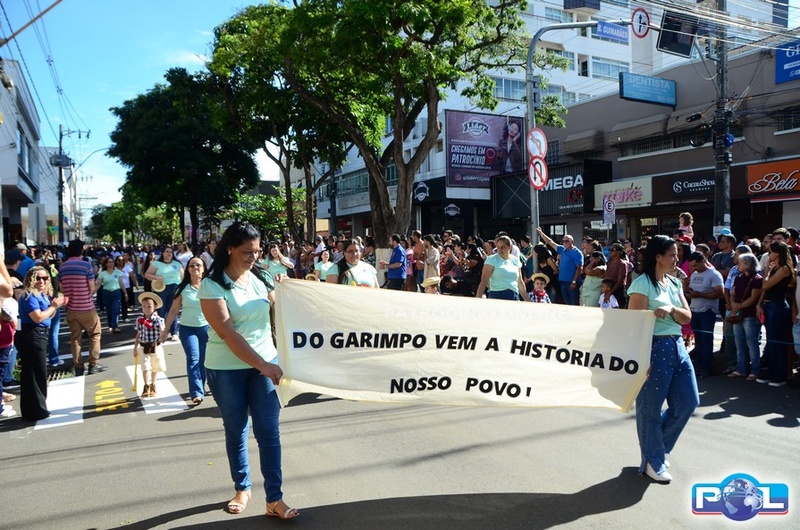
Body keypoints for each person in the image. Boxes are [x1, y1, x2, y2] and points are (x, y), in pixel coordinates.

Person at [198, 221, 299, 519]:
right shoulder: (212, 285)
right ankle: (242, 487)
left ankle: (274, 499)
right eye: (247, 251)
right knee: (237, 428)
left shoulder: (261, 277)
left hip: (265, 366)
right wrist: (264, 365)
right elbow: (228, 334)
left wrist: (286, 288)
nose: (253, 257)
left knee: (269, 431)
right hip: (227, 368)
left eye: (257, 251)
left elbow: (281, 313)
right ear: (230, 249)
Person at [627, 234, 698, 484]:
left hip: (677, 346)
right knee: (651, 409)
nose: (677, 258)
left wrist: (672, 309)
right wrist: (640, 358)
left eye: (677, 254)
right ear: (658, 257)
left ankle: (655, 450)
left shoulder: (675, 283)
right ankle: (652, 461)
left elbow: (687, 317)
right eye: (672, 254)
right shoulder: (642, 284)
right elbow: (634, 324)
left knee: (688, 402)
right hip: (653, 347)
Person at [16, 267, 67, 421]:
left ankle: (34, 409)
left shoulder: (41, 295)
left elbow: (47, 316)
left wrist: (56, 305)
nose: (42, 281)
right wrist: (54, 306)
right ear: (31, 279)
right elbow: (37, 318)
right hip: (32, 334)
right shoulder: (29, 296)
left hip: (39, 334)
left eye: (45, 278)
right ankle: (36, 410)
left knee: (35, 372)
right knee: (35, 372)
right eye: (38, 278)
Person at [162, 256, 209, 405]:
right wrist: (165, 330)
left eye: (198, 265)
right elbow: (173, 310)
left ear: (204, 268)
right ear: (187, 269)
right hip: (188, 329)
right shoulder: (182, 288)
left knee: (204, 361)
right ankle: (197, 392)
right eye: (191, 265)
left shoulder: (209, 286)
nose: (195, 268)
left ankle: (201, 385)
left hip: (207, 328)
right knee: (193, 359)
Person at [58, 240, 106, 376]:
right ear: (82, 250)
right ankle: (93, 364)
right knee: (95, 334)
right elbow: (91, 287)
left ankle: (78, 366)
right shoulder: (86, 265)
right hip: (86, 307)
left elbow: (61, 288)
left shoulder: (63, 267)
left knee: (75, 338)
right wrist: (96, 284)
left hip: (71, 308)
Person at [755, 241, 794, 386]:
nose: (769, 254)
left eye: (771, 252)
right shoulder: (774, 267)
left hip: (777, 305)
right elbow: (764, 287)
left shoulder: (784, 269)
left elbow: (766, 284)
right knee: (771, 340)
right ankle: (771, 371)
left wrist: (768, 270)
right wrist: (759, 304)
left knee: (778, 340)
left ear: (778, 253)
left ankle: (780, 374)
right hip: (768, 304)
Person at [687, 252, 724, 377]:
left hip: (707, 311)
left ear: (703, 261)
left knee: (706, 339)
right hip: (695, 310)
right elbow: (692, 289)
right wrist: (690, 294)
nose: (694, 268)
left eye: (696, 265)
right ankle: (699, 365)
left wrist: (700, 295)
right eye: (692, 266)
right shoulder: (694, 275)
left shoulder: (714, 274)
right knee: (698, 340)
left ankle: (706, 367)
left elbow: (719, 293)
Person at [728, 253, 763, 380]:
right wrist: (733, 303)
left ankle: (755, 370)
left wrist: (738, 306)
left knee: (752, 343)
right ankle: (741, 369)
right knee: (739, 343)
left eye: (740, 262)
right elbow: (733, 293)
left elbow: (754, 298)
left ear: (748, 264)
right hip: (738, 313)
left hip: (749, 314)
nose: (737, 265)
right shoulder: (738, 277)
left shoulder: (757, 279)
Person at [145, 246, 184, 341]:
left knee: (173, 310)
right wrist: (156, 278)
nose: (169, 253)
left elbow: (183, 277)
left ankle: (174, 332)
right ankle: (161, 332)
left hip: (175, 288)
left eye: (170, 252)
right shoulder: (156, 263)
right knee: (161, 311)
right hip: (161, 288)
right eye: (167, 251)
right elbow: (147, 275)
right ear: (163, 253)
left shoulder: (177, 264)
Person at [536, 228, 582, 305]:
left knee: (574, 304)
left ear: (572, 241)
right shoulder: (562, 249)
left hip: (571, 282)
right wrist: (541, 233)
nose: (565, 243)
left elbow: (579, 268)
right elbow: (550, 242)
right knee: (566, 303)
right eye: (563, 241)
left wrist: (574, 281)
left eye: (567, 241)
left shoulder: (577, 253)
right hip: (562, 281)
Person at [475, 235, 528, 301]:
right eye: (498, 247)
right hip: (497, 295)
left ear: (509, 247)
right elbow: (484, 280)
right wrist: (477, 299)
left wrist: (528, 300)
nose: (500, 250)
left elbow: (520, 283)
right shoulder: (491, 259)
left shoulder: (515, 261)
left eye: (503, 247)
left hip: (514, 296)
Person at [133, 292, 166, 398]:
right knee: (145, 366)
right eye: (144, 306)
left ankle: (153, 384)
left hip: (156, 346)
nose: (146, 309)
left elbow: (162, 331)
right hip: (143, 347)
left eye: (149, 306)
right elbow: (138, 334)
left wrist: (163, 332)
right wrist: (135, 347)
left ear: (155, 307)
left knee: (155, 367)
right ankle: (146, 385)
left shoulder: (158, 320)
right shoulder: (139, 320)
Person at [96, 257, 126, 334]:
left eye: (112, 262)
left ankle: (115, 326)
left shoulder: (118, 273)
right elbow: (98, 285)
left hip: (116, 292)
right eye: (109, 262)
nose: (111, 263)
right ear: (106, 264)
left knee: (115, 309)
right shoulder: (102, 274)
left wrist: (125, 293)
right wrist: (91, 293)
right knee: (109, 310)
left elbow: (121, 283)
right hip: (106, 293)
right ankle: (110, 326)